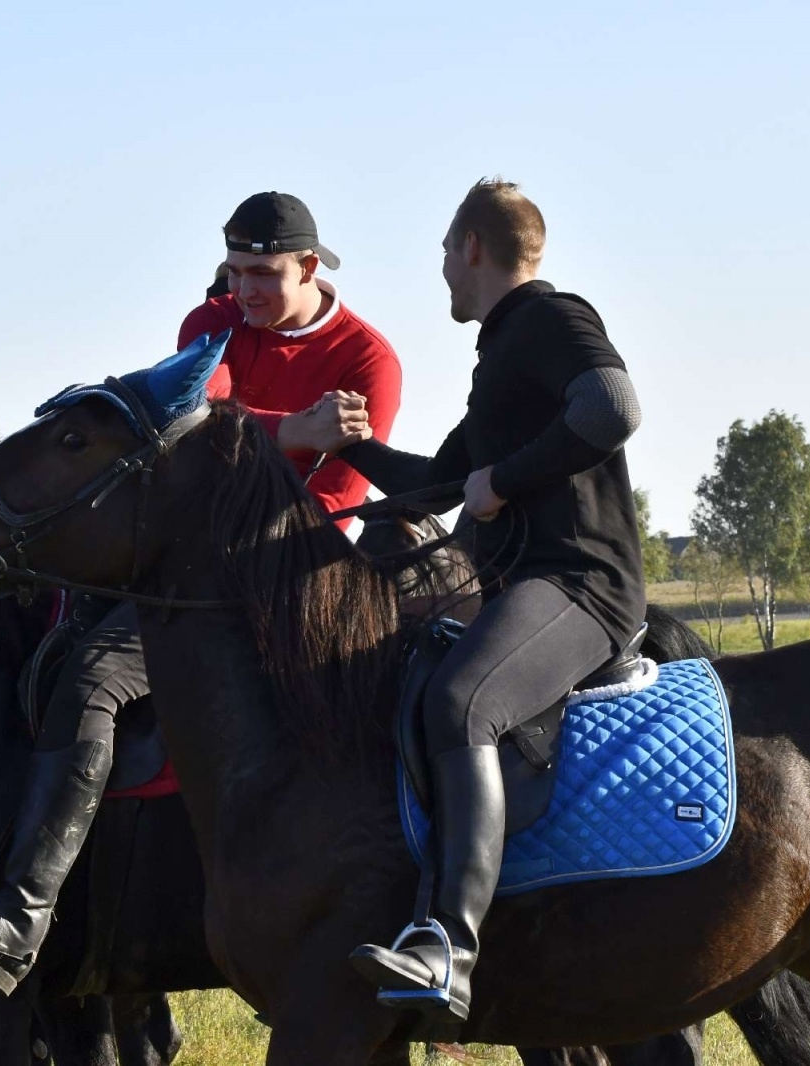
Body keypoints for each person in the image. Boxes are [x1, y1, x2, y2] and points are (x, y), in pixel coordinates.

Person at [0, 191, 403, 995]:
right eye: (236, 272)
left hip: (297, 576)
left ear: (310, 267)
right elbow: (202, 423)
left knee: (95, 680)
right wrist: (297, 431)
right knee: (48, 649)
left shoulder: (369, 358)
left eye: (264, 274)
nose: (244, 291)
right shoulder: (208, 327)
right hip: (189, 563)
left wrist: (278, 439)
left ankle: (19, 918)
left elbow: (335, 496)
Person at [292, 178, 647, 1019]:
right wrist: (357, 449)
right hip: (525, 584)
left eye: (446, 255)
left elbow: (614, 405)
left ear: (472, 249)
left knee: (463, 701)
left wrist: (507, 479)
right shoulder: (503, 355)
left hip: (581, 586)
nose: (444, 273)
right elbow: (440, 487)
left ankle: (449, 944)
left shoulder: (552, 318)